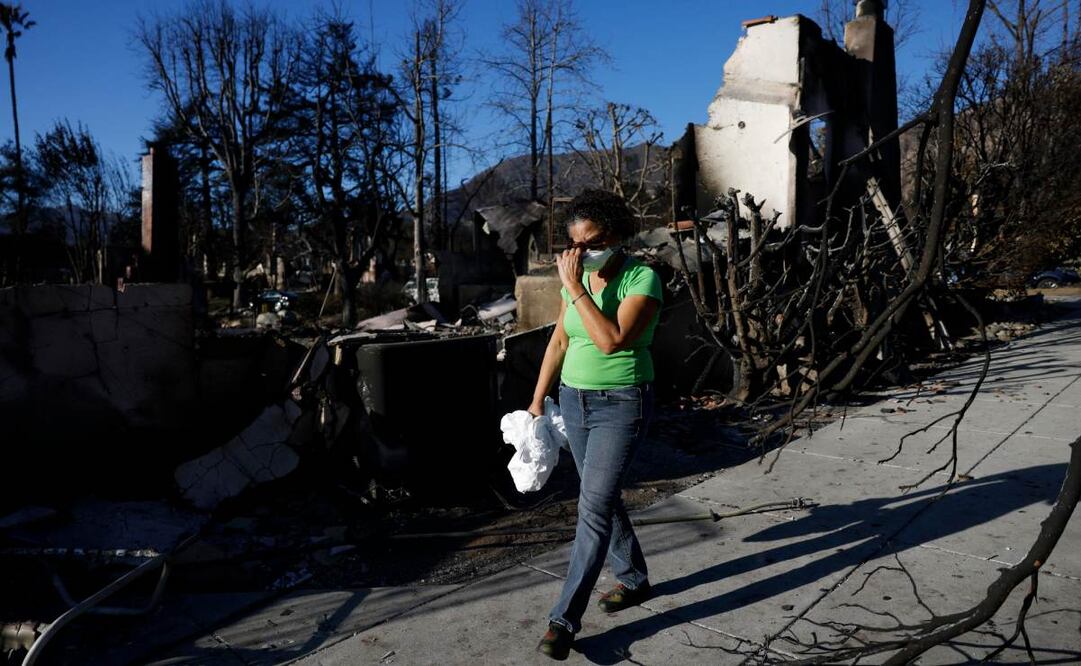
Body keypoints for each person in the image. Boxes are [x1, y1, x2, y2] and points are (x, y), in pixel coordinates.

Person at [529, 190, 663, 660]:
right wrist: (537, 400)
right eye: (575, 244)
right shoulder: (575, 279)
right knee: (599, 497)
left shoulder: (642, 278)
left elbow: (611, 341)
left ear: (617, 234)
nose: (583, 252)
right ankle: (634, 578)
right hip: (574, 400)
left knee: (593, 508)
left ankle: (563, 619)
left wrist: (578, 287)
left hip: (622, 403)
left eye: (594, 241)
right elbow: (560, 340)